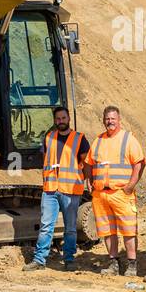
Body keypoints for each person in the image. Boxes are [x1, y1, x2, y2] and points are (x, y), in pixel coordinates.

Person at [26, 107, 90, 272]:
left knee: (70, 227)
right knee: (46, 225)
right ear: (55, 121)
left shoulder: (79, 139)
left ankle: (69, 259)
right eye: (58, 119)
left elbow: (87, 163)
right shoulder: (49, 138)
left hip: (70, 189)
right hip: (50, 190)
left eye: (63, 118)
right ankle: (39, 259)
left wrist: (88, 180)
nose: (61, 121)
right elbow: (45, 160)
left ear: (68, 119)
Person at [87, 105, 145, 277]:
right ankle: (113, 263)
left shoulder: (128, 139)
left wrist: (130, 186)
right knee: (107, 230)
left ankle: (132, 264)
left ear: (119, 120)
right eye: (107, 119)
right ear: (103, 120)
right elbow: (89, 163)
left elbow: (139, 164)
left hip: (121, 193)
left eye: (113, 118)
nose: (110, 121)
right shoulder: (98, 140)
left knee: (128, 230)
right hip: (101, 194)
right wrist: (89, 180)